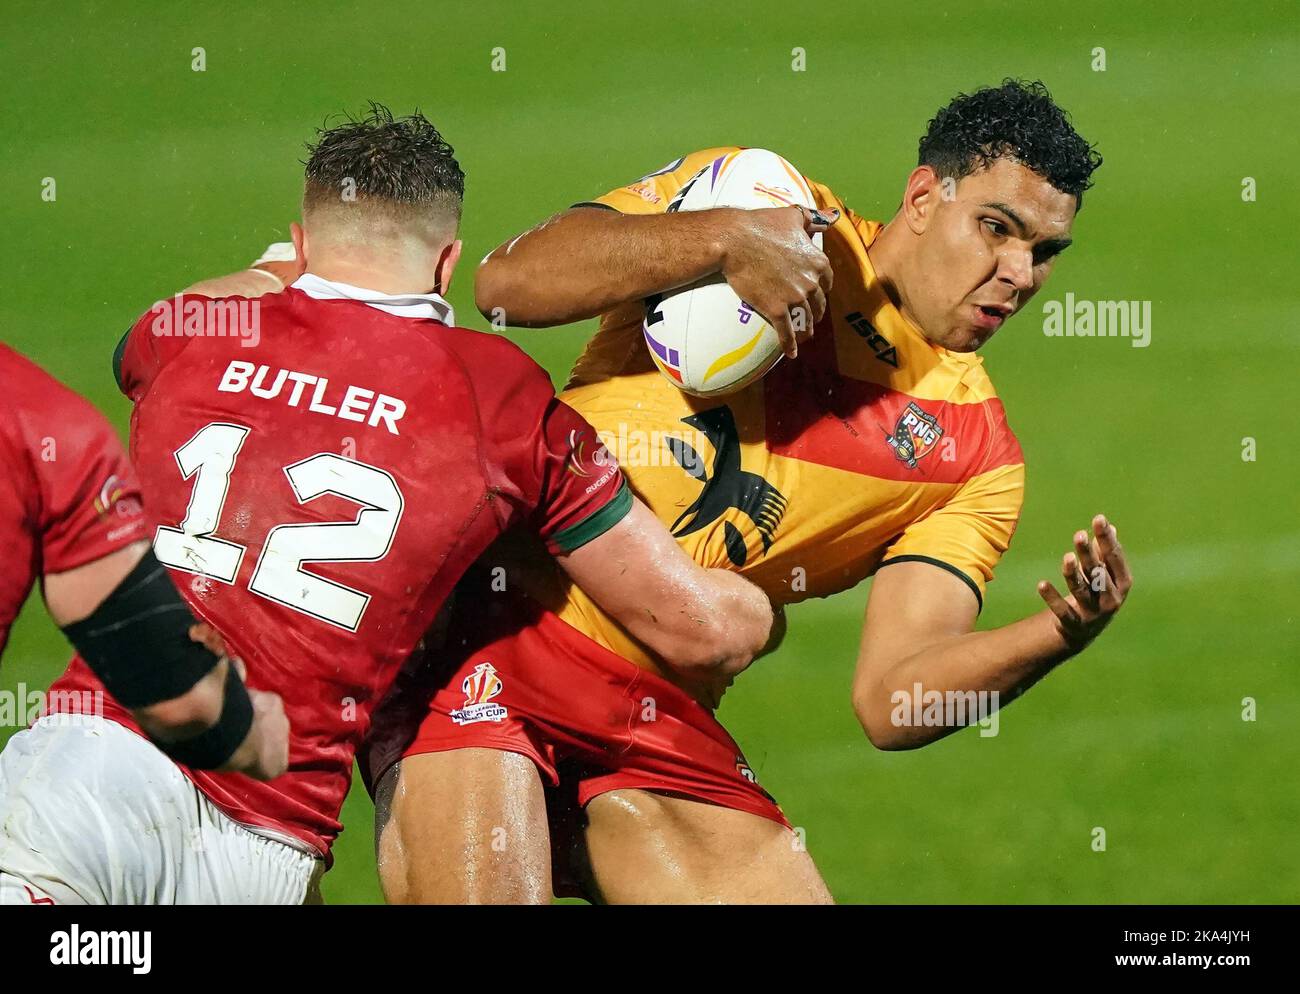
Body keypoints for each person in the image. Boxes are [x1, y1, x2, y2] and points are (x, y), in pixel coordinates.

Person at [368, 80, 1134, 903]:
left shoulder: (978, 460)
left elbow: (892, 700)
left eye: (1045, 252)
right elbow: (507, 285)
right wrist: (720, 239)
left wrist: (1056, 635)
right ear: (922, 198)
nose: (1019, 273)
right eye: (997, 228)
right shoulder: (764, 204)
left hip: (650, 713)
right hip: (492, 637)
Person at [0, 104, 771, 905]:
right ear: (447, 265)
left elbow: (150, 331)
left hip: (96, 763)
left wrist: (276, 274)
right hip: (266, 842)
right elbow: (699, 634)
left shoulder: (193, 333)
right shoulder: (500, 396)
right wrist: (762, 599)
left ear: (302, 246)